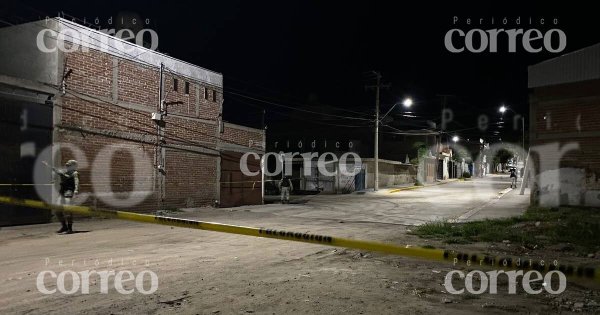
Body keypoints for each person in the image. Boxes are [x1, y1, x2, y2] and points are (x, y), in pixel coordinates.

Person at [43, 160, 79, 234]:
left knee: (68, 210)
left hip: (69, 192)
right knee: (57, 210)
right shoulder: (64, 172)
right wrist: (48, 165)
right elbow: (56, 170)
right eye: (67, 165)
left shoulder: (75, 173)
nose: (67, 166)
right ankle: (64, 226)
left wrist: (76, 191)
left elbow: (76, 182)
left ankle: (70, 228)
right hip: (62, 192)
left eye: (69, 165)